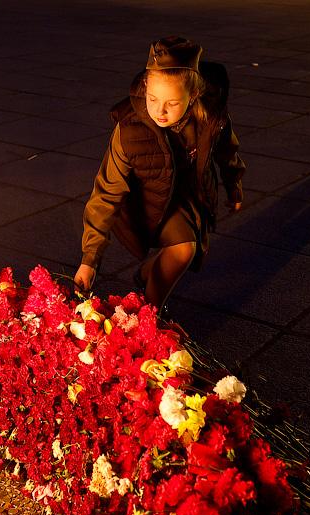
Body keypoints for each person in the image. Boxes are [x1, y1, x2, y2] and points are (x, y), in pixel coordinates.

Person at [73, 36, 245, 317]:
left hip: (189, 195)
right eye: (153, 99)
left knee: (185, 253)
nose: (160, 111)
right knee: (184, 249)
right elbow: (106, 191)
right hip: (149, 199)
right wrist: (90, 260)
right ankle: (151, 319)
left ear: (194, 96)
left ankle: (146, 278)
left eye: (172, 103)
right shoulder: (130, 129)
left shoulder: (211, 116)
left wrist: (234, 185)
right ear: (144, 86)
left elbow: (227, 151)